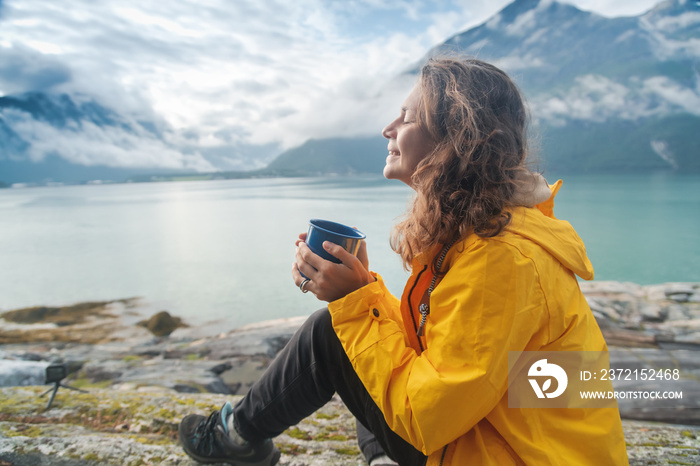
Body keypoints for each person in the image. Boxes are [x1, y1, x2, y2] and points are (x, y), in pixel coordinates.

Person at [178, 57, 629, 466]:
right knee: (365, 335)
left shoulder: (502, 258)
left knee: (337, 333)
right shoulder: (486, 233)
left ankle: (232, 440)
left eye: (407, 117)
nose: (387, 129)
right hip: (503, 438)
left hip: (513, 455)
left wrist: (355, 301)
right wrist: (360, 289)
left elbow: (425, 413)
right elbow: (447, 364)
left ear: (456, 139)